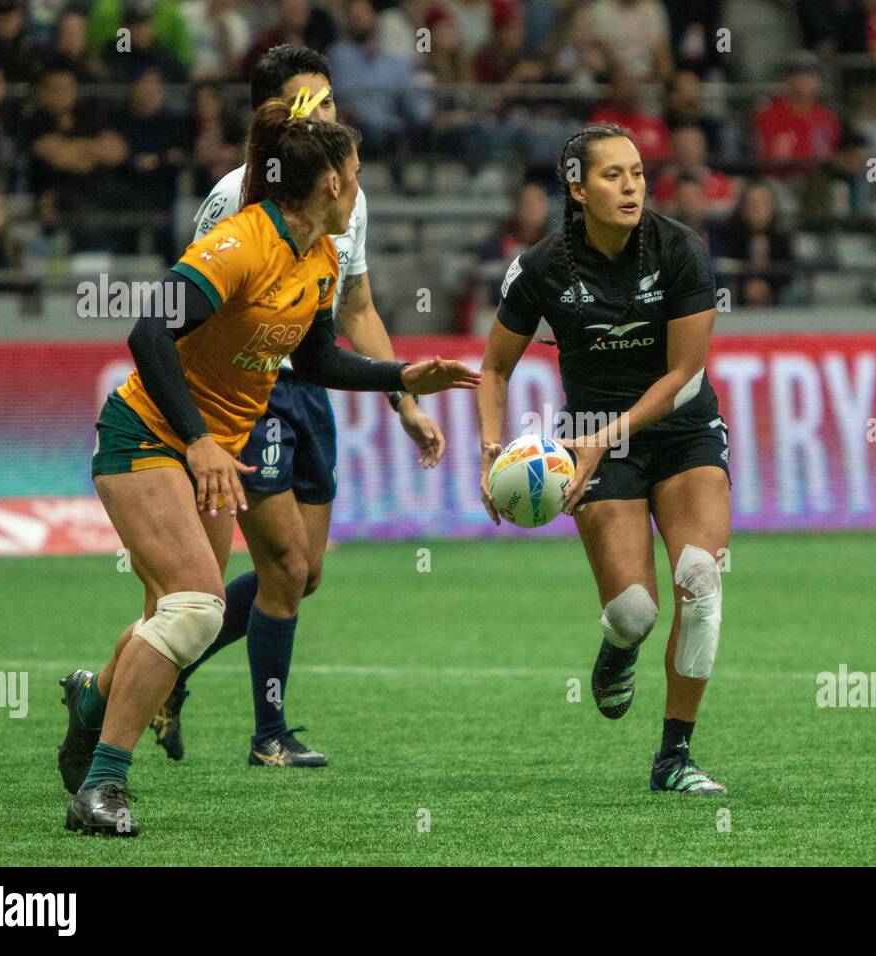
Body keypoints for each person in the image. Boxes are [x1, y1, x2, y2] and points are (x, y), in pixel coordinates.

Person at [57, 98, 479, 836]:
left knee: (178, 614)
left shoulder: (319, 256)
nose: (359, 188)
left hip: (217, 451)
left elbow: (314, 358)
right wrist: (196, 440)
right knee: (196, 609)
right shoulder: (244, 242)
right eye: (354, 175)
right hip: (149, 438)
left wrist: (402, 379)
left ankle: (94, 700)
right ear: (329, 187)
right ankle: (103, 788)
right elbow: (147, 327)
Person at [150, 44, 445, 767]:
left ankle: (165, 670)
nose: (327, 118)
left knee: (306, 573)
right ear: (271, 117)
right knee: (279, 567)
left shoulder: (350, 195)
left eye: (331, 104)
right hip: (254, 393)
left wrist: (401, 395)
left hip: (311, 384)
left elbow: (357, 303)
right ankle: (267, 736)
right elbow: (186, 315)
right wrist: (203, 424)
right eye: (309, 106)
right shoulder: (233, 198)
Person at [477, 123, 730, 794]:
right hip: (591, 439)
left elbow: (682, 375)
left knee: (701, 582)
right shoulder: (541, 268)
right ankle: (618, 649)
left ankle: (674, 757)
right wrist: (491, 451)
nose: (631, 186)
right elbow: (494, 370)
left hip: (681, 432)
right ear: (577, 188)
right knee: (635, 614)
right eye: (614, 175)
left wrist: (604, 434)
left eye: (639, 173)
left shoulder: (680, 250)